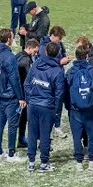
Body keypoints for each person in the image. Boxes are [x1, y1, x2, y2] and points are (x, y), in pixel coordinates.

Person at [24, 38, 65, 172]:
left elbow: (27, 84)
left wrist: (31, 99)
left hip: (33, 105)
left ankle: (30, 162)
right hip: (47, 106)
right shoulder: (58, 71)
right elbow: (59, 94)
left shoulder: (36, 65)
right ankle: (43, 163)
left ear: (45, 52)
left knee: (32, 133)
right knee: (45, 136)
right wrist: (56, 109)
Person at [68, 43, 93, 169]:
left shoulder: (71, 71)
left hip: (75, 110)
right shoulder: (92, 71)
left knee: (77, 136)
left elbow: (65, 90)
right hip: (91, 110)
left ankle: (79, 162)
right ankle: (91, 161)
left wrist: (70, 106)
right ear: (86, 56)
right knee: (92, 135)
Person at [0, 30, 23, 162]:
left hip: (0, 93)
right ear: (9, 39)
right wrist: (21, 97)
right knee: (12, 124)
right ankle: (11, 154)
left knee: (0, 123)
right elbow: (14, 79)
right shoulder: (9, 58)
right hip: (10, 96)